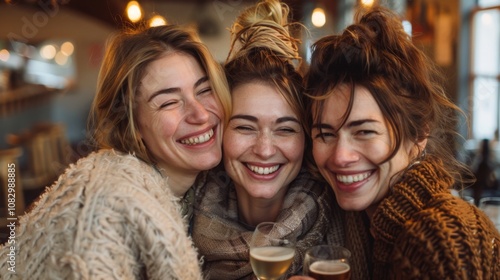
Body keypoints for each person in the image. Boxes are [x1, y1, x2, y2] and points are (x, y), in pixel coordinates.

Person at [0, 23, 231, 279]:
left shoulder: (199, 193)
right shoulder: (109, 207)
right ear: (131, 123)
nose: (200, 114)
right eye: (168, 102)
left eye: (205, 89)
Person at [292, 6, 500, 280]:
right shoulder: (361, 222)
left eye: (364, 132)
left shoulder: (442, 239)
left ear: (418, 136)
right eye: (325, 134)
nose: (340, 156)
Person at [191, 0, 350, 279]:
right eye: (245, 127)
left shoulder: (345, 217)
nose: (264, 150)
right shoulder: (181, 217)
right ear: (220, 131)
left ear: (307, 139)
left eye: (285, 129)